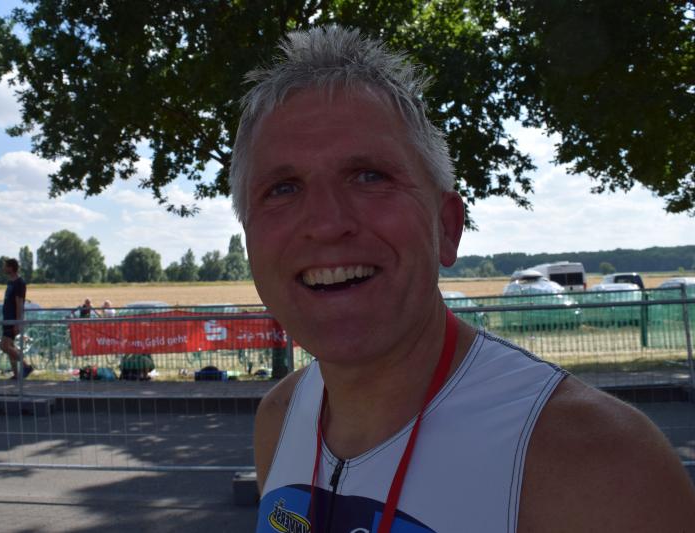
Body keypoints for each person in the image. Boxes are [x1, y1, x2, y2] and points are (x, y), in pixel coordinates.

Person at [231, 26, 695, 532]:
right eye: (283, 188)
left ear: (447, 227)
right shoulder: (279, 418)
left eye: (369, 176)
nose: (325, 223)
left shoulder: (601, 464)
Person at [0, 258, 32, 380]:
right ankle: (16, 374)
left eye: (5, 266)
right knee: (10, 346)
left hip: (12, 319)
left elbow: (19, 303)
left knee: (4, 346)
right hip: (7, 318)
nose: (3, 268)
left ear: (11, 268)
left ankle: (26, 366)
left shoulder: (19, 283)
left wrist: (17, 322)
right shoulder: (10, 282)